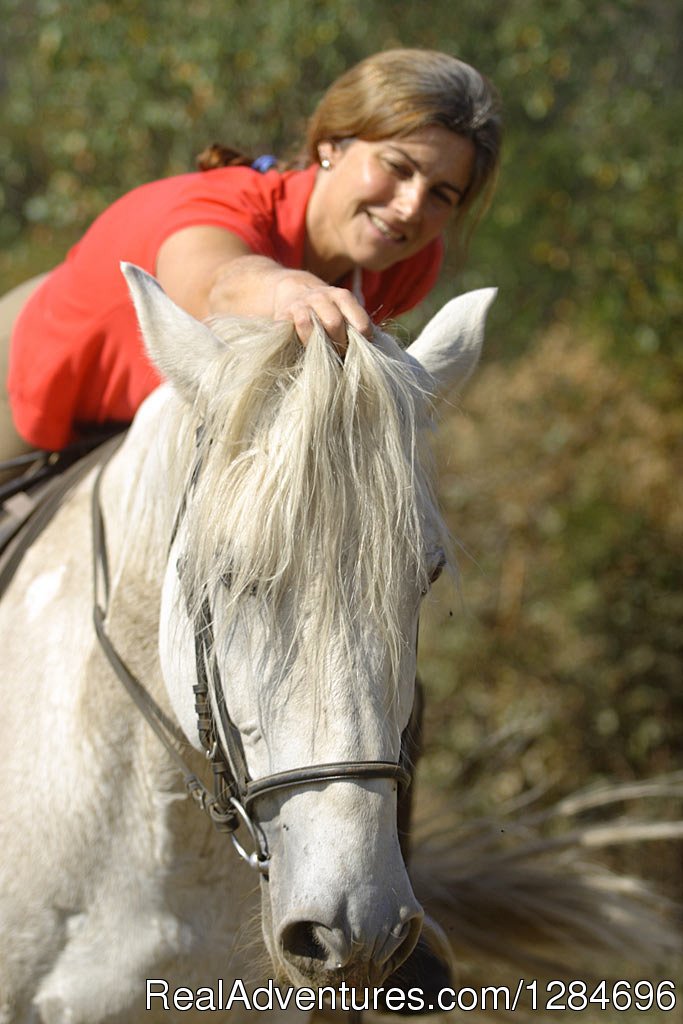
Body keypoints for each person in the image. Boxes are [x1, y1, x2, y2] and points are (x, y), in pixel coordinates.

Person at [0, 48, 501, 460]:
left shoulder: (406, 261)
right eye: (398, 166)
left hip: (153, 423)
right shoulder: (223, 204)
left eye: (442, 195)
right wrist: (291, 290)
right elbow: (218, 282)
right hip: (37, 370)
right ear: (331, 146)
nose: (412, 207)